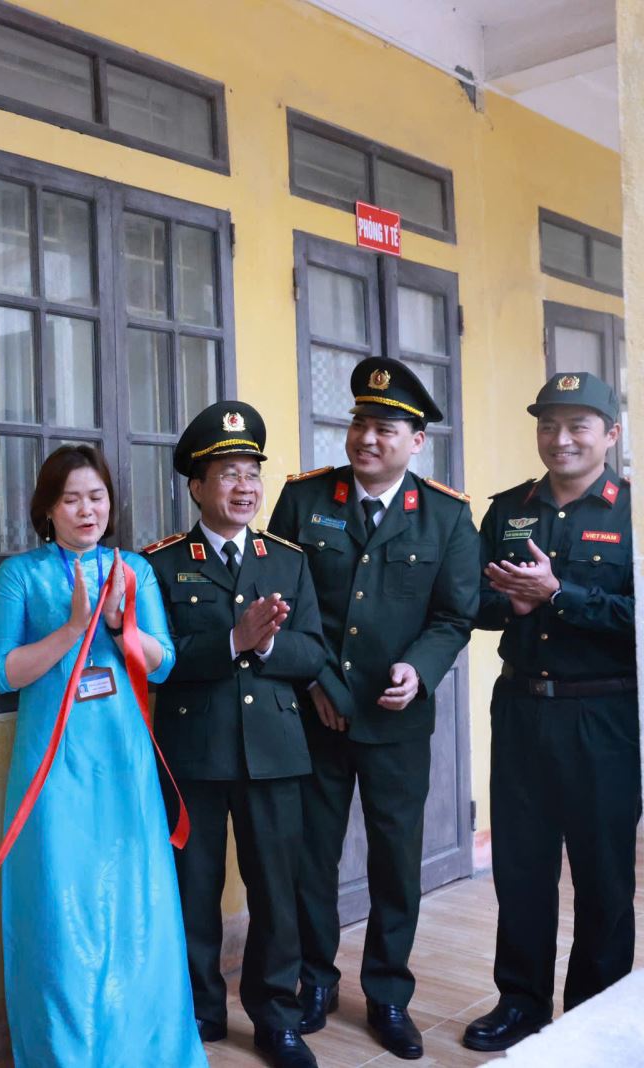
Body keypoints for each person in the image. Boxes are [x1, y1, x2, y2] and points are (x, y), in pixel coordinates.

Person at [267, 356, 478, 1061]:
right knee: (311, 857)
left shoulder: (446, 516)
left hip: (396, 722)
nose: (367, 437)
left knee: (394, 861)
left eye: (386, 428)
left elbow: (453, 616)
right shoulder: (303, 499)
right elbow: (282, 599)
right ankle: (315, 981)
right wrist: (317, 682)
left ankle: (388, 993)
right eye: (360, 421)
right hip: (314, 717)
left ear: (416, 441)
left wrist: (420, 671)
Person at [0, 443, 203, 1068]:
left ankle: (145, 1050)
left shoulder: (132, 570)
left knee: (137, 905)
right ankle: (65, 1054)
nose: (87, 510)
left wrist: (116, 626)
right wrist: (71, 630)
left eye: (97, 497)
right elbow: (3, 672)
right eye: (72, 499)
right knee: (59, 907)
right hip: (53, 768)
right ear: (47, 510)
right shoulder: (20, 576)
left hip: (123, 761)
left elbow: (164, 663)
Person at [143, 402, 326, 1068]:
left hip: (274, 750)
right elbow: (156, 660)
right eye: (228, 474)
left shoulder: (288, 560)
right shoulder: (161, 563)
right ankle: (200, 1009)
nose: (244, 487)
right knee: (194, 887)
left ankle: (276, 1016)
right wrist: (232, 640)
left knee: (276, 888)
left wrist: (268, 646)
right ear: (197, 486)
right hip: (194, 750)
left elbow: (315, 653)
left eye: (252, 473)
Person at [461, 372, 639, 1052]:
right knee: (521, 868)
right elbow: (472, 602)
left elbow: (638, 619)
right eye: (548, 425)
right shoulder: (508, 510)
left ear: (610, 434)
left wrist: (560, 595)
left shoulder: (632, 513)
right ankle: (521, 1001)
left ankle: (594, 1011)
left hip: (605, 716)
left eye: (577, 426)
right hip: (522, 711)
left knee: (603, 876)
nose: (560, 439)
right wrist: (512, 603)